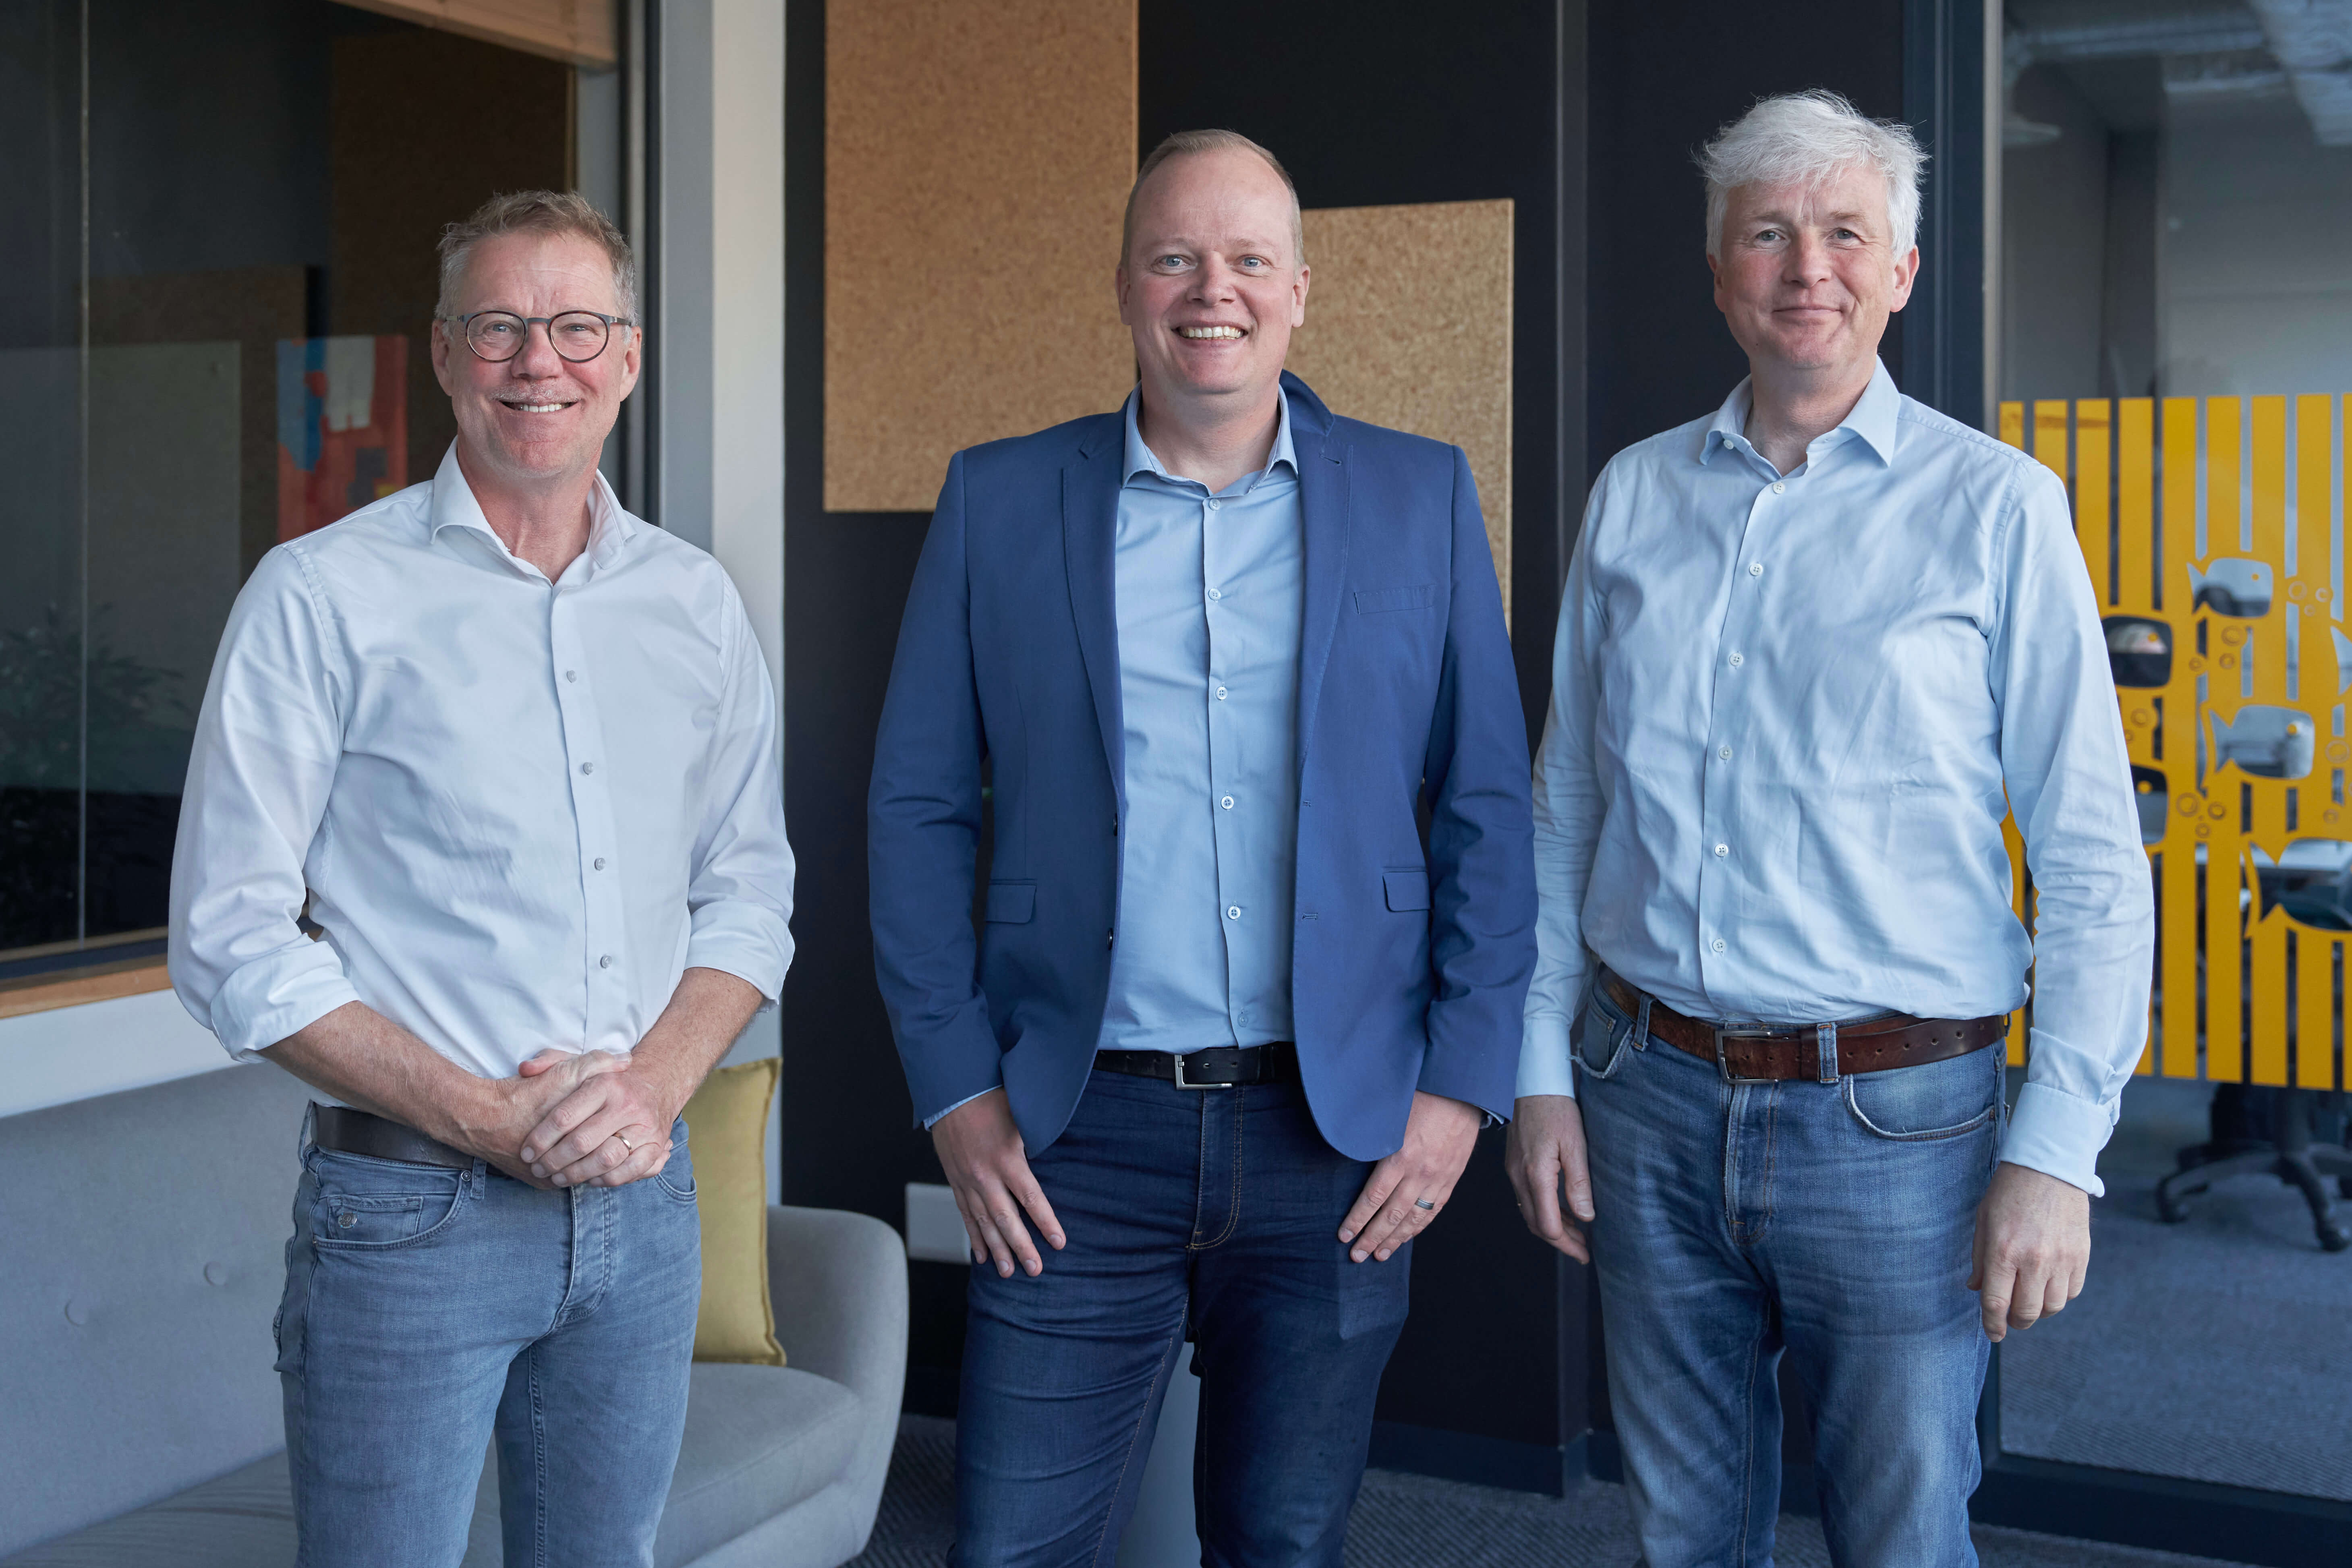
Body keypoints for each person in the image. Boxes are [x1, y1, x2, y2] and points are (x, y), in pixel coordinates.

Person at [868, 129, 1536, 1565]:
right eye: (1175, 256)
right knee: (1011, 1551)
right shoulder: (1000, 499)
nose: (1209, 290)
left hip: (1335, 1137)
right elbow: (918, 809)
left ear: (1302, 289)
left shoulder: (1421, 498)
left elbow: (1486, 806)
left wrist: (1463, 1092)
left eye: (1246, 260)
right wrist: (953, 1092)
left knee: (1280, 1549)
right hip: (1069, 1139)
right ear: (1123, 285)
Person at [1504, 91, 2153, 1566]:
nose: (1810, 267)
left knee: (1902, 1535)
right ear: (1722, 271)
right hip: (1645, 1097)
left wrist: (2058, 1152)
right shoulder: (1632, 500)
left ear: (1903, 271)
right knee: (1682, 1531)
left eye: (1846, 233)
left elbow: (2096, 867)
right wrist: (1537, 1072)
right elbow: (1568, 814)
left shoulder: (2000, 511)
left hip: (1901, 1129)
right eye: (1771, 234)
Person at [168, 190, 795, 1568]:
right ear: (444, 354)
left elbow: (750, 892)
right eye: (501, 327)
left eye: (577, 327)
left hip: (646, 1202)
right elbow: (228, 939)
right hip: (409, 1216)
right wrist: (486, 1118)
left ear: (626, 358)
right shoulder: (321, 595)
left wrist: (650, 1092)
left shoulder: (695, 605)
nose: (540, 363)